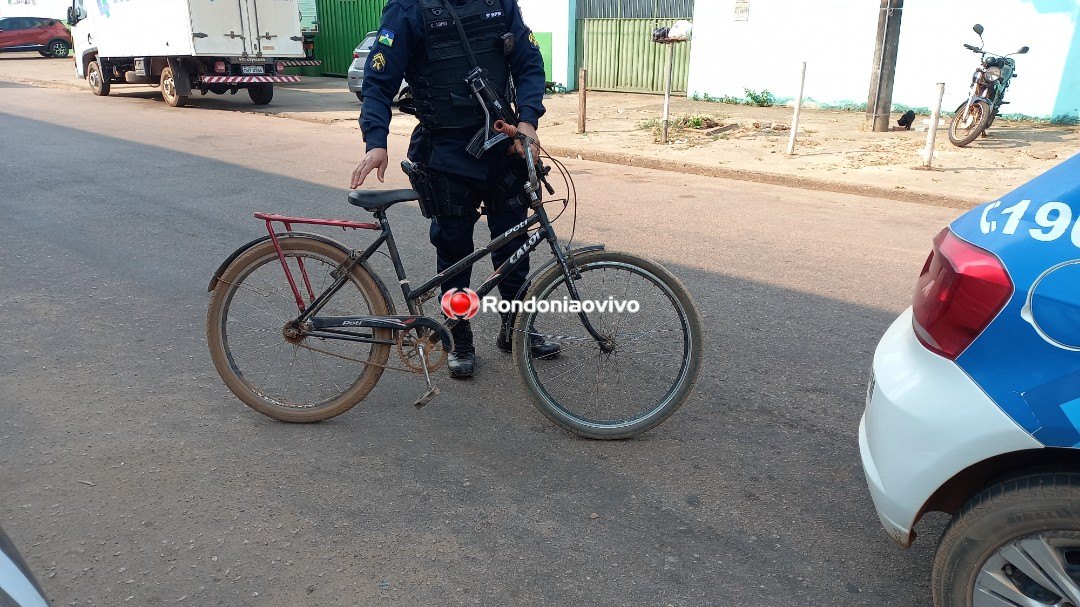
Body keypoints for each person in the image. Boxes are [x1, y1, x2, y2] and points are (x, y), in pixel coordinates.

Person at [350, 0, 560, 379]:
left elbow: (528, 61)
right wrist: (376, 142)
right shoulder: (408, 10)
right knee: (454, 254)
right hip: (446, 156)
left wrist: (528, 121)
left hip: (503, 147)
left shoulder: (499, 4)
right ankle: (459, 338)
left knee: (514, 247)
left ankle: (516, 331)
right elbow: (379, 83)